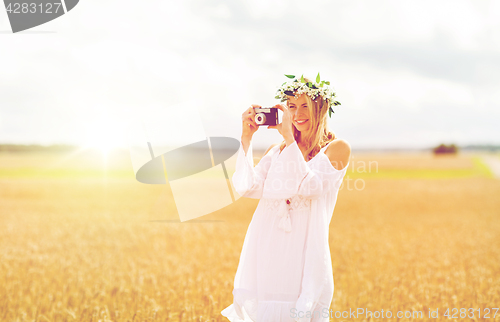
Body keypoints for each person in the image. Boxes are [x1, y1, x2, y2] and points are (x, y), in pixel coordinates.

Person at [221, 74, 351, 322]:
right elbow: (248, 187)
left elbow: (309, 186)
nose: (297, 113)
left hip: (304, 249)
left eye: (305, 106)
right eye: (292, 106)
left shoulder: (337, 148)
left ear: (321, 109)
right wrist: (246, 138)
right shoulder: (276, 150)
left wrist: (290, 139)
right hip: (268, 246)